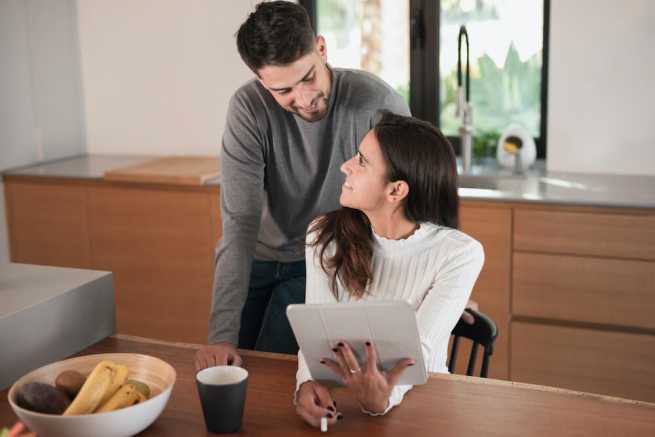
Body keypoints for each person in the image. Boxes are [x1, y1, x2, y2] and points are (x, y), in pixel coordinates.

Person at [194, 1, 412, 370]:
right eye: (284, 92)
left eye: (309, 77)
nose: (305, 99)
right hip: (258, 257)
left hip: (326, 260)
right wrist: (220, 335)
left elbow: (415, 194)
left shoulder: (377, 104)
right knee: (231, 364)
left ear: (322, 49)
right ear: (263, 83)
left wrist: (443, 284)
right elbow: (240, 223)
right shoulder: (248, 109)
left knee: (272, 370)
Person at [294, 111, 484, 428]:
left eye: (362, 162)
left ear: (395, 191)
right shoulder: (323, 236)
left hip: (426, 407)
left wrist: (381, 399)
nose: (346, 166)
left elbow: (418, 352)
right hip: (345, 402)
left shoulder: (460, 254)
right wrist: (305, 383)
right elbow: (315, 332)